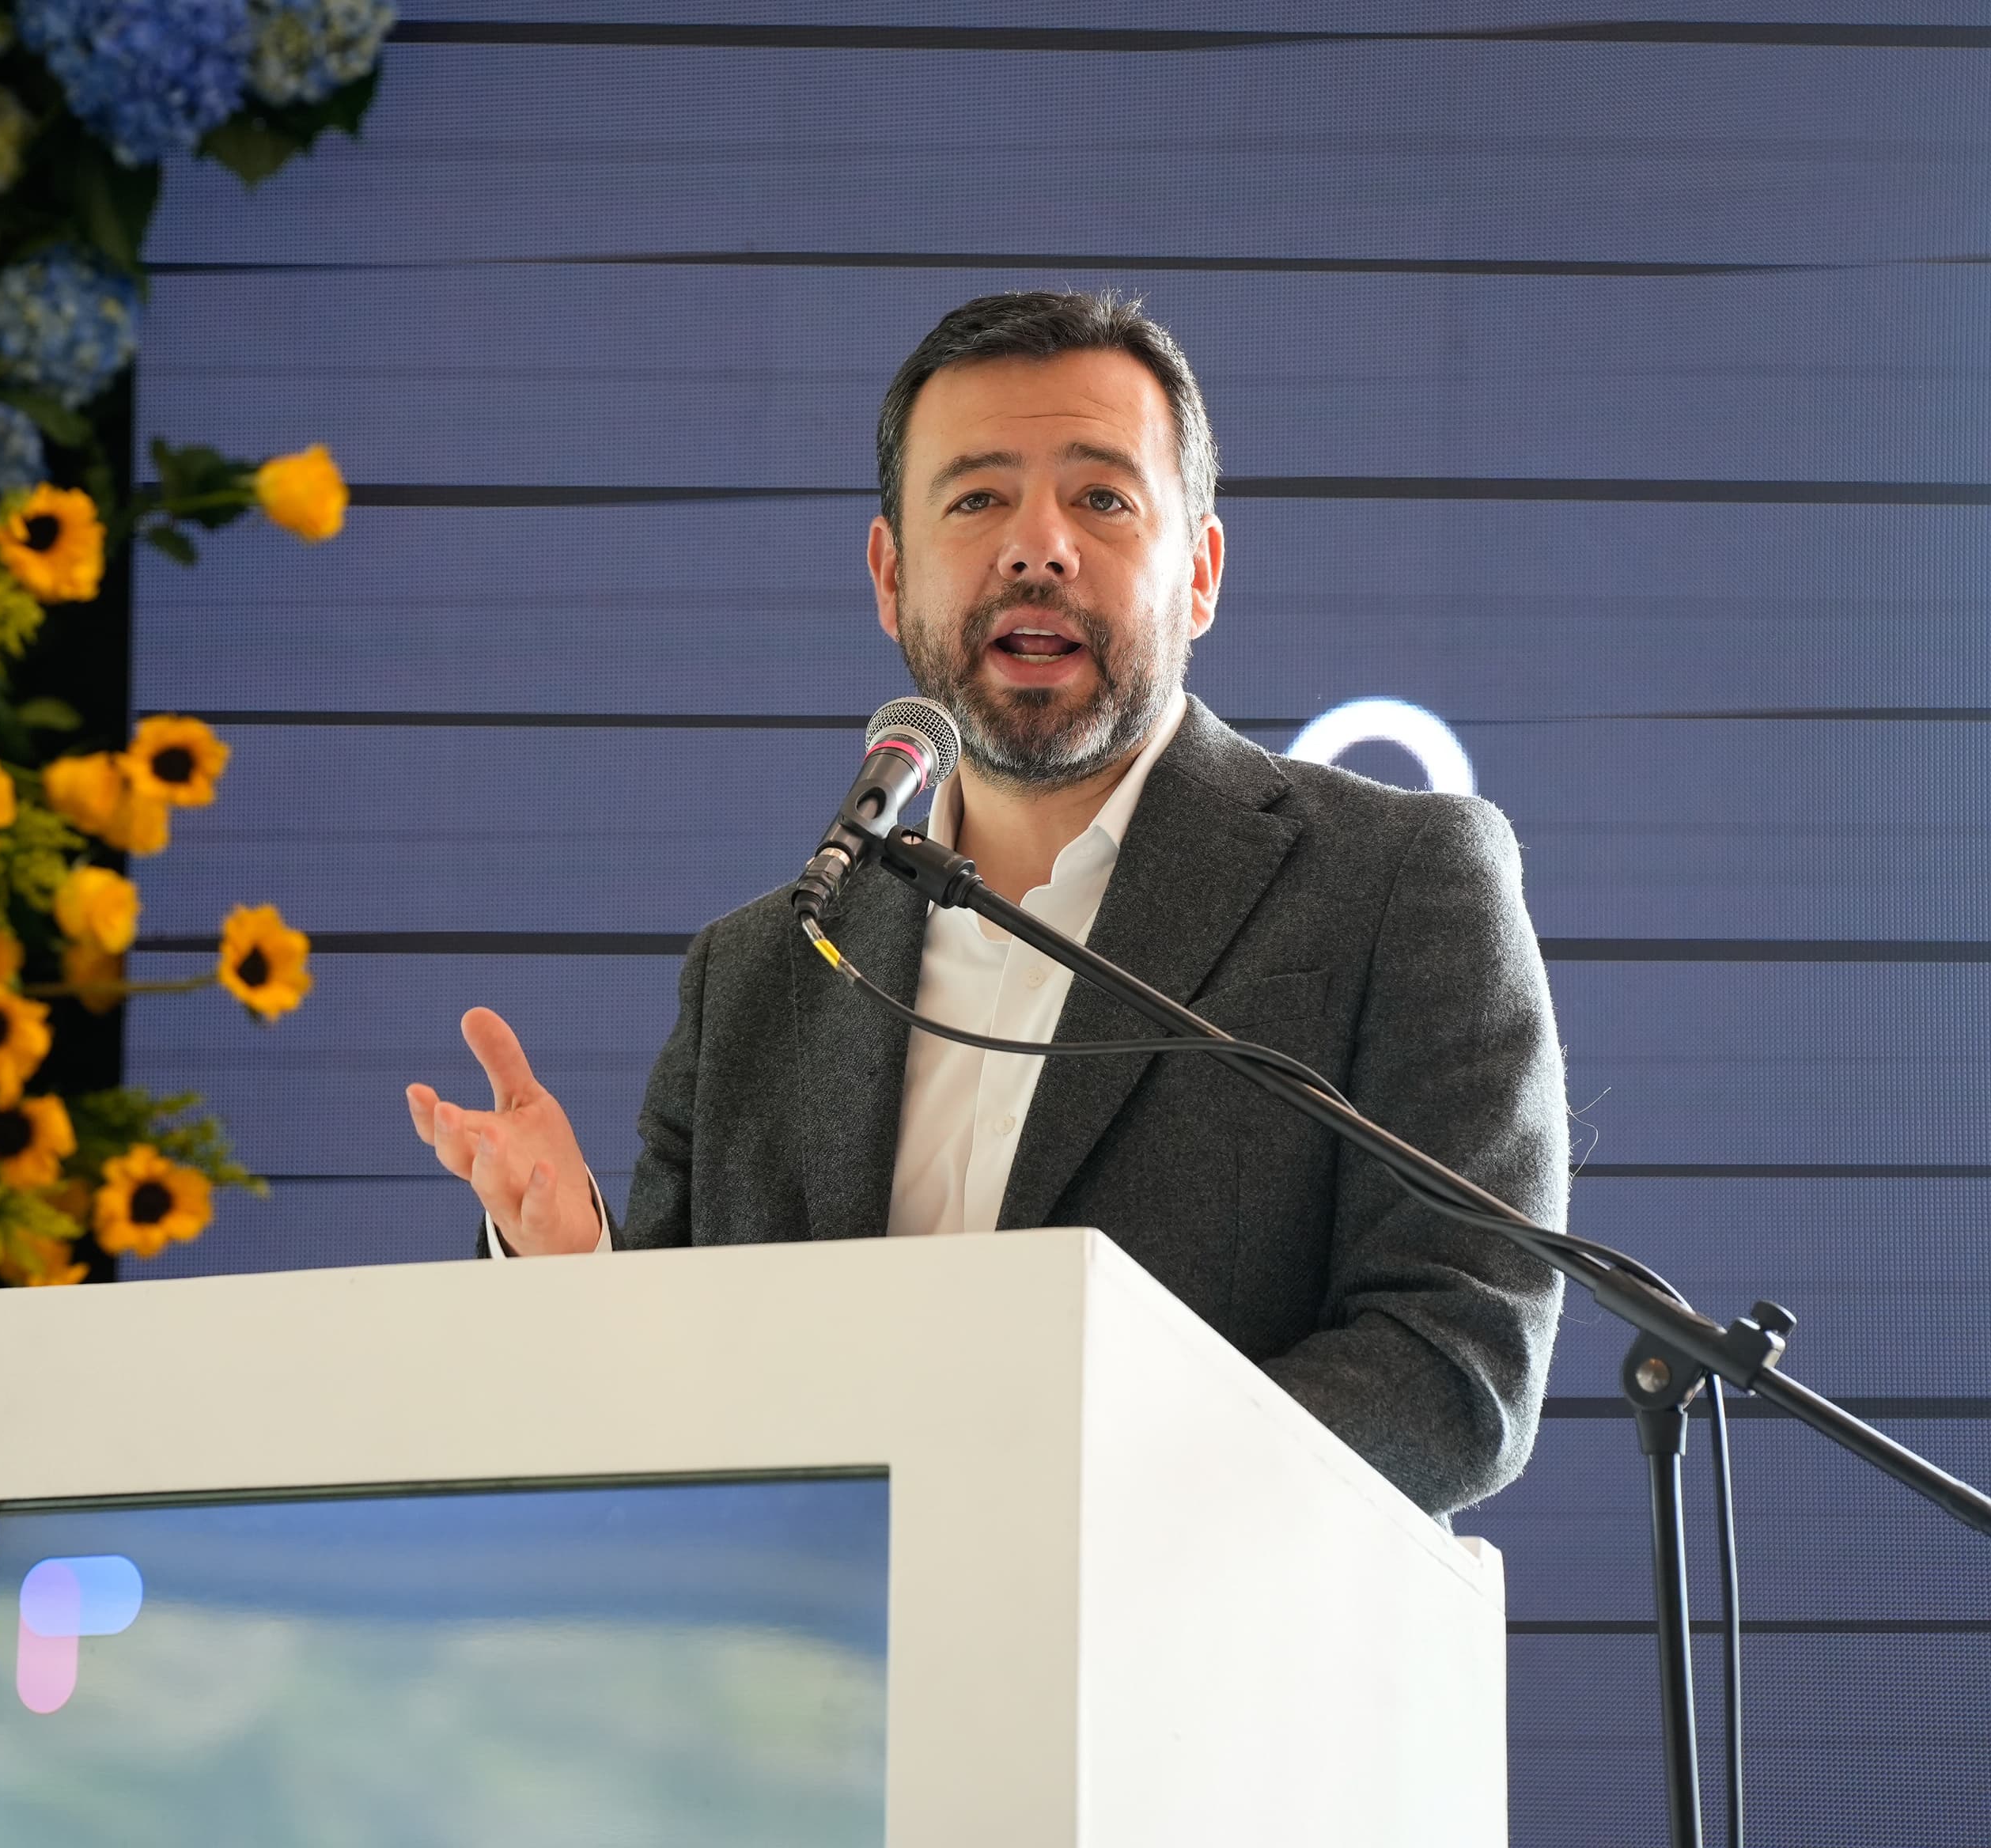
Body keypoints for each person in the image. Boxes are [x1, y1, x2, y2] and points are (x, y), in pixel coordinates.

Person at [407, 290, 1566, 1517]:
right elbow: (674, 1410)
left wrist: (1057, 1505)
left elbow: (1457, 1357)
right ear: (889, 574)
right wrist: (568, 1262)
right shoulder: (761, 971)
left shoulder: (1392, 882)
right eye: (977, 500)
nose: (1037, 547)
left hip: (1193, 1671)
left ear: (1204, 571)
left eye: (1102, 498)